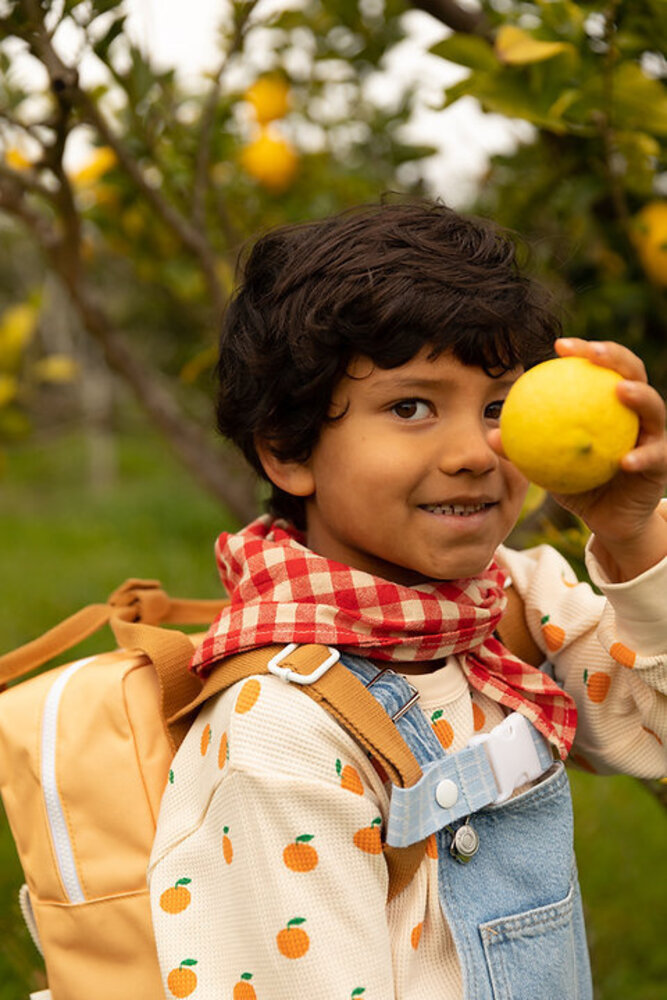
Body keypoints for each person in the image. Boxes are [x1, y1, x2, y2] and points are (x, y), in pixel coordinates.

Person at [148, 200, 667, 999]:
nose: (471, 453)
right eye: (410, 407)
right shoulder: (281, 728)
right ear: (289, 450)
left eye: (498, 406)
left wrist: (634, 539)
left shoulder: (515, 605)